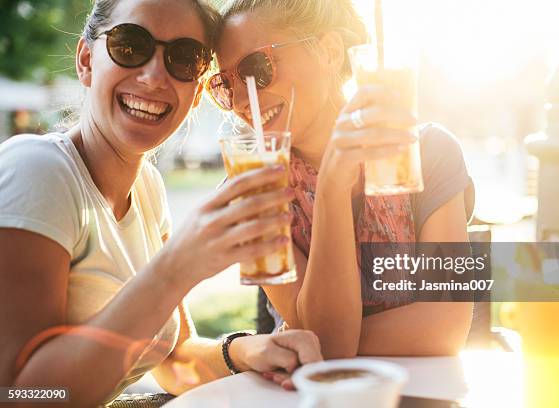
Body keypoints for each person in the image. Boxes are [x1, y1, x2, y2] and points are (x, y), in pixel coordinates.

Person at [0, 0, 322, 406]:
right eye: (130, 46)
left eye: (184, 58)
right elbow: (17, 394)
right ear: (86, 60)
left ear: (196, 88)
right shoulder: (39, 170)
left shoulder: (148, 187)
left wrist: (249, 351)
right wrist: (176, 270)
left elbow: (172, 360)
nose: (154, 77)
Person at [208, 0, 475, 361]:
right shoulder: (254, 187)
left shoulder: (426, 152)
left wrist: (312, 340)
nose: (241, 99)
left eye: (256, 68)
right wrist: (332, 184)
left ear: (330, 51)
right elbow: (329, 344)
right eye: (225, 83)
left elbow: (446, 327)